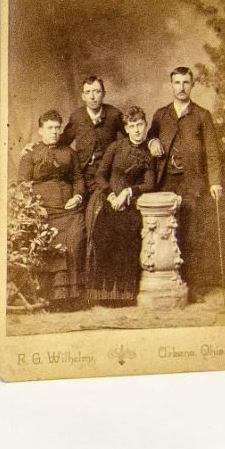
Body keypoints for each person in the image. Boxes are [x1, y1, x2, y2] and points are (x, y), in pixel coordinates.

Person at [145, 66, 225, 299]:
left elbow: (212, 151)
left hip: (192, 182)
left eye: (186, 83)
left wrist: (215, 182)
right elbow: (150, 136)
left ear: (192, 85)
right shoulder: (161, 114)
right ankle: (168, 285)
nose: (181, 87)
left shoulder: (202, 115)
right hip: (166, 182)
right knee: (166, 231)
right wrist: (152, 142)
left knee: (191, 233)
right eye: (177, 82)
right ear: (171, 85)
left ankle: (193, 287)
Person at [86, 107, 156, 305]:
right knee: (102, 237)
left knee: (127, 241)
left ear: (146, 126)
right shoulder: (116, 147)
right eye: (132, 126)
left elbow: (150, 183)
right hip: (109, 201)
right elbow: (100, 175)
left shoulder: (148, 153)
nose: (137, 130)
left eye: (140, 125)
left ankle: (124, 297)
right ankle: (103, 296)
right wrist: (111, 195)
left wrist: (128, 192)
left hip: (131, 206)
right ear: (126, 128)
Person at [18, 110, 85, 308]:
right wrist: (35, 208)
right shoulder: (30, 153)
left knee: (75, 236)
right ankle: (53, 298)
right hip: (44, 211)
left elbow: (78, 179)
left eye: (57, 128)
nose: (55, 132)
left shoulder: (69, 152)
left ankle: (72, 296)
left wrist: (77, 196)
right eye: (50, 128)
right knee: (52, 241)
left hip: (69, 210)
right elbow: (22, 184)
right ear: (40, 130)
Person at [58, 76, 123, 262]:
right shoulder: (77, 117)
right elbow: (62, 142)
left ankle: (101, 265)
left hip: (107, 177)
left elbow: (127, 142)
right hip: (83, 177)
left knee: (102, 220)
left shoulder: (114, 115)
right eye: (88, 92)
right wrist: (36, 146)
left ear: (104, 94)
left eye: (97, 91)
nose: (93, 96)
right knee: (81, 224)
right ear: (83, 96)